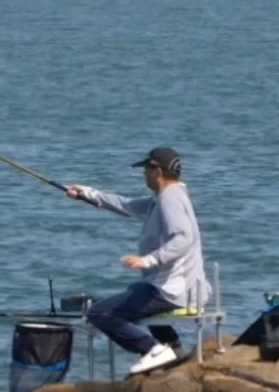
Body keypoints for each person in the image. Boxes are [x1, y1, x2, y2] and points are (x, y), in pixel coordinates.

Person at [63, 146, 209, 375]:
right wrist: (88, 194)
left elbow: (184, 237)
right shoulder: (166, 198)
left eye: (146, 170)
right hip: (178, 287)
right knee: (137, 290)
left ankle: (154, 349)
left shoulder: (169, 200)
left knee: (99, 313)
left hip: (173, 291)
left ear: (157, 171)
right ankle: (173, 348)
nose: (143, 175)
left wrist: (149, 260)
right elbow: (127, 206)